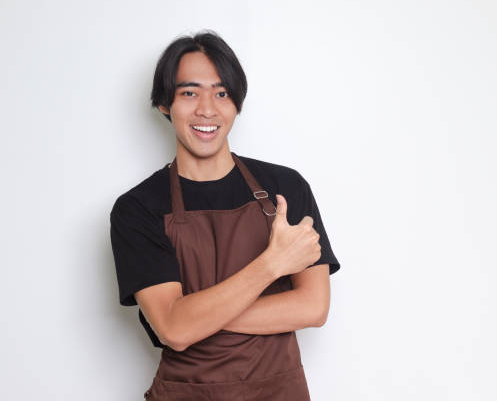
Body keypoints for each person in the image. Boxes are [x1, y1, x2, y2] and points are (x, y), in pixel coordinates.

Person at [109, 30, 341, 400]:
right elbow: (174, 329)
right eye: (189, 92)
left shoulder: (286, 187)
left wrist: (195, 317)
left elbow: (313, 307)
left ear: (236, 104)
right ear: (165, 105)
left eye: (221, 93)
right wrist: (272, 264)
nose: (207, 108)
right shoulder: (138, 208)